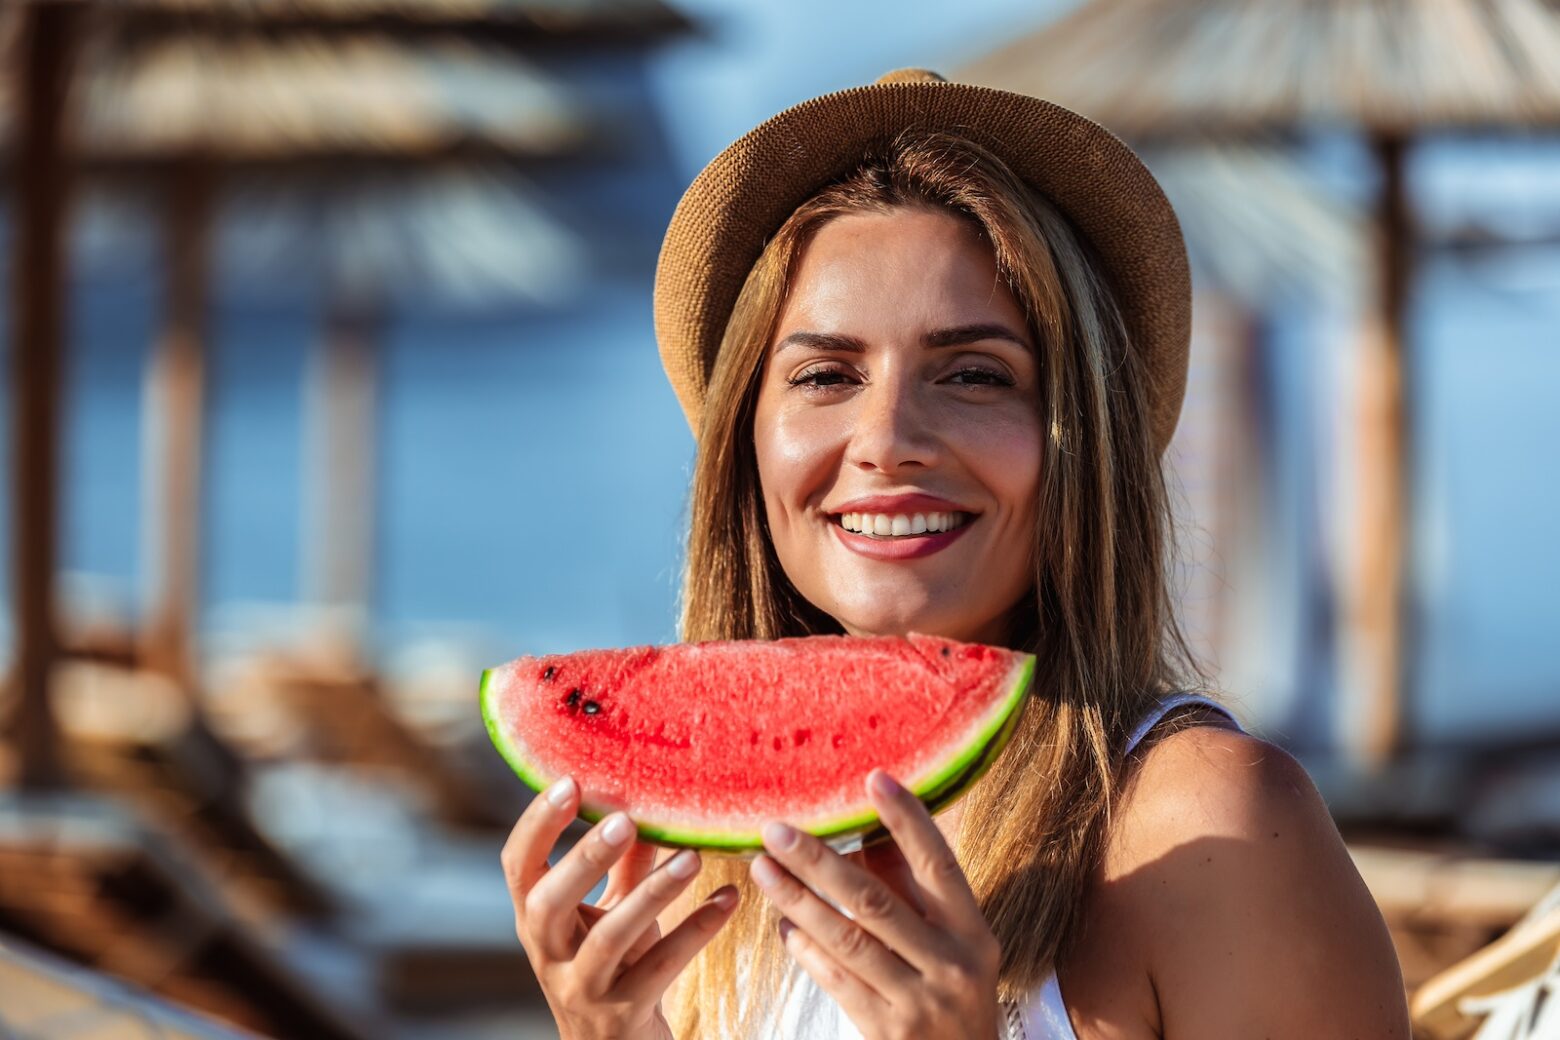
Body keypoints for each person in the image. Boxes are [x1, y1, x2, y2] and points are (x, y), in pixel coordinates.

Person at [501, 69, 1411, 1039]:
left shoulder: (1216, 826)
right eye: (825, 373)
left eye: (975, 373)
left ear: (1079, 440)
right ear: (747, 441)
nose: (888, 436)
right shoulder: (704, 873)